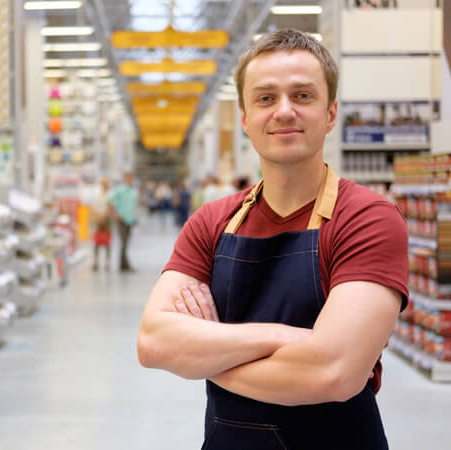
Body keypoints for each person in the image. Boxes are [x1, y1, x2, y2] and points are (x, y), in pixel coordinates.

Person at [137, 28, 408, 450]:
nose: (284, 111)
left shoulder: (366, 218)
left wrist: (207, 360)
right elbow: (154, 342)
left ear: (331, 113)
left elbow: (332, 373)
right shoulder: (212, 222)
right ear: (244, 119)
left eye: (302, 96)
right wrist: (284, 338)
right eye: (265, 98)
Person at [108, 172, 138, 272]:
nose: (130, 179)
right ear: (125, 178)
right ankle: (125, 265)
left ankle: (123, 265)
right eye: (129, 178)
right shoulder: (120, 190)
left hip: (130, 220)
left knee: (126, 243)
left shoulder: (133, 191)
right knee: (124, 243)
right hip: (122, 220)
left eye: (132, 178)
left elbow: (133, 205)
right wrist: (115, 214)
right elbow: (109, 201)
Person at [90, 177, 111, 271]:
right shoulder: (97, 195)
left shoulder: (111, 195)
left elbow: (111, 207)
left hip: (108, 220)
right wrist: (99, 217)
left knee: (107, 241)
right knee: (97, 241)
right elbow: (93, 208)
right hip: (98, 220)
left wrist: (104, 216)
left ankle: (107, 261)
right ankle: (95, 261)